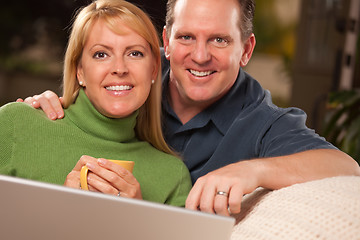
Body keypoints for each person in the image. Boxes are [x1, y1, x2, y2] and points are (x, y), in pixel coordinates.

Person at [18, 0, 360, 216]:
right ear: (166, 42)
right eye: (186, 37)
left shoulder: (261, 120)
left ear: (246, 49)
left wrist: (249, 171)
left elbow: (346, 167)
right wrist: (45, 109)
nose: (199, 56)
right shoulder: (132, 83)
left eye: (219, 40)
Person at [0, 0, 192, 207]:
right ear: (79, 70)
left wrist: (138, 218)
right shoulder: (15, 125)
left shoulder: (174, 177)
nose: (120, 68)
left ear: (154, 69)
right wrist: (58, 209)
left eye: (134, 53)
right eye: (101, 54)